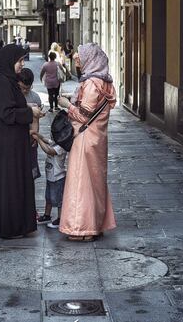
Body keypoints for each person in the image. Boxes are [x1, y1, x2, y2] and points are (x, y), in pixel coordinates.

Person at [0, 44, 44, 239]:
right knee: (9, 183)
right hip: (6, 146)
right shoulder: (4, 82)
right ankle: (10, 226)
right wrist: (30, 112)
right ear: (10, 61)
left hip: (8, 143)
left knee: (7, 183)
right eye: (20, 61)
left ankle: (8, 223)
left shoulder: (5, 79)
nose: (22, 64)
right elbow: (7, 113)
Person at [57, 43, 117, 241]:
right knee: (95, 181)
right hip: (97, 139)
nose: (77, 60)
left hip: (85, 138)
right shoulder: (104, 81)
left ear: (90, 59)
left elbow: (84, 115)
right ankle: (94, 224)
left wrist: (66, 105)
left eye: (80, 57)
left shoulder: (92, 83)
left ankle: (82, 228)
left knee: (81, 182)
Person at [33, 131, 67, 229]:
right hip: (50, 177)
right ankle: (47, 215)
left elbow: (48, 150)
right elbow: (45, 139)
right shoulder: (55, 143)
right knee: (48, 197)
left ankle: (60, 219)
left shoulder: (61, 147)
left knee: (59, 200)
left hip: (58, 177)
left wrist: (38, 140)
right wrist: (37, 134)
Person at [18, 68, 42, 180]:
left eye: (27, 89)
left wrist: (34, 137)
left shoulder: (35, 97)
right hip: (17, 136)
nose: (24, 91)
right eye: (22, 88)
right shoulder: (13, 96)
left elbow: (35, 120)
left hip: (30, 138)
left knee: (30, 171)